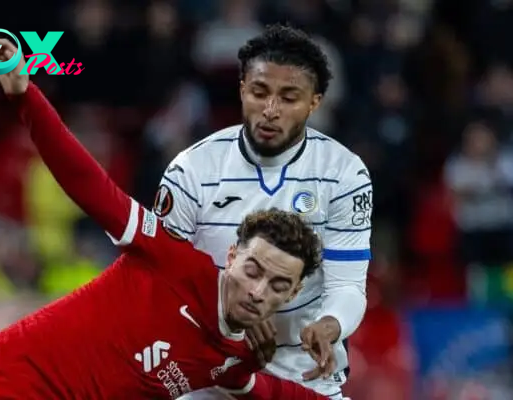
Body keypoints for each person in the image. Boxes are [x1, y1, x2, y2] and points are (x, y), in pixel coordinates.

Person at [0, 39, 329, 400]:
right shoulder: (172, 261)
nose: (258, 291)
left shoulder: (236, 356)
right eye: (253, 270)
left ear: (291, 296)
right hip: (7, 383)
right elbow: (89, 186)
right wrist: (25, 95)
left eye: (277, 285)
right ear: (231, 256)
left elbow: (269, 392)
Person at [156, 25, 372, 400]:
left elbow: (348, 285)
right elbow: (157, 283)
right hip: (209, 368)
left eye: (289, 98)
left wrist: (330, 324)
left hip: (303, 372)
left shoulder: (344, 174)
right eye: (259, 92)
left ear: (314, 102)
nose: (270, 110)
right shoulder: (191, 170)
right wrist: (230, 314)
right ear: (242, 89)